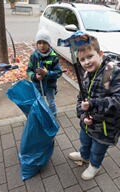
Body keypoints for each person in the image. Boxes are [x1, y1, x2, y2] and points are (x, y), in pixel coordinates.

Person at [68, 34, 120, 180]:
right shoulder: (87, 74)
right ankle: (84, 156)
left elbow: (117, 101)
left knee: (97, 150)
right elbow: (81, 98)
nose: (86, 62)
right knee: (84, 141)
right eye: (82, 59)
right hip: (88, 123)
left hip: (105, 128)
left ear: (100, 54)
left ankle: (94, 165)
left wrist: (93, 104)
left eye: (90, 56)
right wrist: (83, 115)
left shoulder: (112, 73)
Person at [27, 29, 62, 117]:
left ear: (49, 44)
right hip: (38, 85)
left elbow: (58, 73)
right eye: (39, 43)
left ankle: (53, 117)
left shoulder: (54, 57)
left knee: (51, 103)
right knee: (39, 101)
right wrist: (35, 76)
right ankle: (41, 116)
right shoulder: (34, 56)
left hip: (50, 85)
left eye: (45, 43)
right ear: (37, 44)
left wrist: (47, 73)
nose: (42, 45)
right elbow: (29, 70)